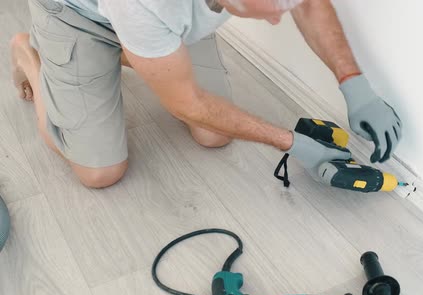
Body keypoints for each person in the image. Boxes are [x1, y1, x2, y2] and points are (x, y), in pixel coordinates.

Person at [11, 0, 403, 188]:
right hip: (79, 15)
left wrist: (356, 85)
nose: (273, 18)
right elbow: (189, 104)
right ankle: (32, 56)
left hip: (156, 27)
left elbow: (309, 4)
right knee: (100, 173)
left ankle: (142, 60)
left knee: (216, 134)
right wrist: (294, 144)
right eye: (265, 11)